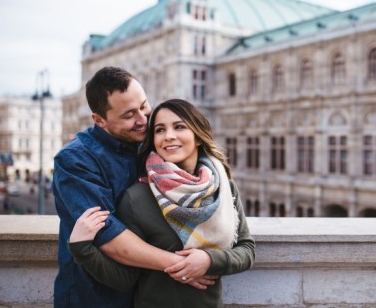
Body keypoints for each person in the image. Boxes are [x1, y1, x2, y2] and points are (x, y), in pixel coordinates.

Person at [68, 99, 255, 307]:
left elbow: (246, 249)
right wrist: (82, 249)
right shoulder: (137, 198)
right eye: (159, 130)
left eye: (179, 127)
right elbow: (124, 279)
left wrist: (209, 261)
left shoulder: (224, 187)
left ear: (198, 136)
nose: (168, 136)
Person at [52, 68, 202, 308]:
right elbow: (108, 235)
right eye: (129, 114)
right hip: (94, 297)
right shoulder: (75, 159)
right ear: (99, 120)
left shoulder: (151, 142)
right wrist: (183, 265)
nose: (143, 119)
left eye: (144, 105)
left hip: (147, 294)